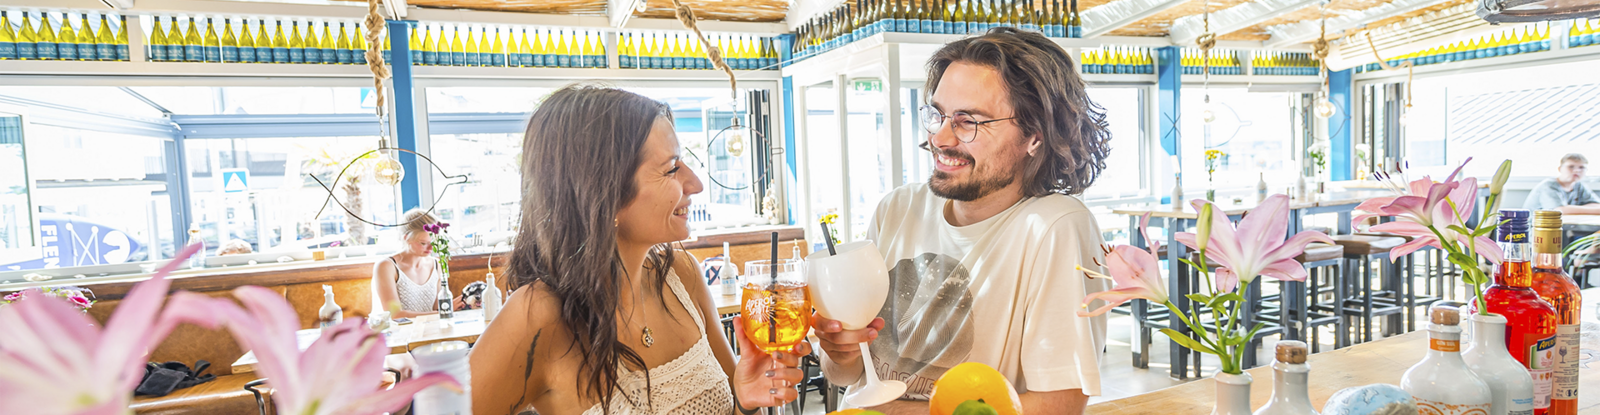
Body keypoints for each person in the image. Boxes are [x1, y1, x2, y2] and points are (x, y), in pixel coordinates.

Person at [812, 27, 1114, 414]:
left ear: (1035, 136)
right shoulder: (898, 208)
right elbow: (847, 375)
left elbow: (1059, 405)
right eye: (937, 114)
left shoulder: (1056, 227)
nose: (941, 137)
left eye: (968, 121)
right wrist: (841, 351)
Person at [469, 84, 809, 415]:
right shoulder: (538, 314)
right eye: (671, 169)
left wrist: (746, 403)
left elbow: (736, 407)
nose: (695, 184)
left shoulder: (683, 275)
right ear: (604, 193)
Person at [372, 209, 463, 318]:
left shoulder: (436, 264)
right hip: (395, 328)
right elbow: (395, 315)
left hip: (429, 327)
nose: (431, 248)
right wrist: (444, 312)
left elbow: (435, 309)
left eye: (434, 243)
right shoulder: (386, 266)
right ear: (406, 238)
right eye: (423, 243)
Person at [1525, 153, 1600, 214]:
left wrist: (1569, 209)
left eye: (1581, 167)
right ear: (1560, 169)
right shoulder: (1549, 185)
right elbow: (1559, 210)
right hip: (1538, 226)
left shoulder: (1579, 185)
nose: (1577, 170)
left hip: (1566, 224)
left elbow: (1596, 204)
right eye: (1571, 167)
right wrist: (1566, 209)